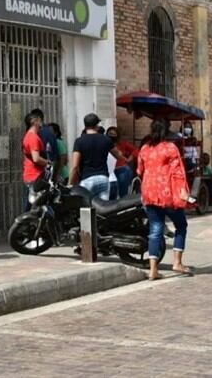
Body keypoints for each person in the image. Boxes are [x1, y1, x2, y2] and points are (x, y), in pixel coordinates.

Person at [136, 119, 192, 280]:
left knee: (155, 229)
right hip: (167, 193)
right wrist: (183, 192)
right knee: (181, 225)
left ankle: (153, 270)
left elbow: (139, 170)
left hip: (148, 192)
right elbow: (178, 172)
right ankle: (177, 263)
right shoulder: (170, 148)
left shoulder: (145, 148)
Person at [70, 113, 124, 201]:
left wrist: (71, 183)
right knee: (103, 207)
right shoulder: (106, 140)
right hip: (103, 178)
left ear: (85, 126)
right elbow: (118, 155)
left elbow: (75, 166)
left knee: (86, 207)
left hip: (86, 179)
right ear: (97, 126)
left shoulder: (79, 141)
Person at [22, 111, 49, 209]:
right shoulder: (33, 137)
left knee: (32, 205)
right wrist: (48, 163)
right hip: (35, 175)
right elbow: (36, 158)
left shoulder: (29, 136)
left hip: (32, 175)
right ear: (34, 122)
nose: (41, 122)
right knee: (35, 207)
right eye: (39, 120)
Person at [106, 126, 136, 197]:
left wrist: (129, 159)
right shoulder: (104, 144)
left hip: (122, 169)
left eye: (114, 134)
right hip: (111, 171)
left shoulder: (123, 143)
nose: (112, 136)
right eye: (110, 134)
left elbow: (135, 150)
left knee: (122, 195)